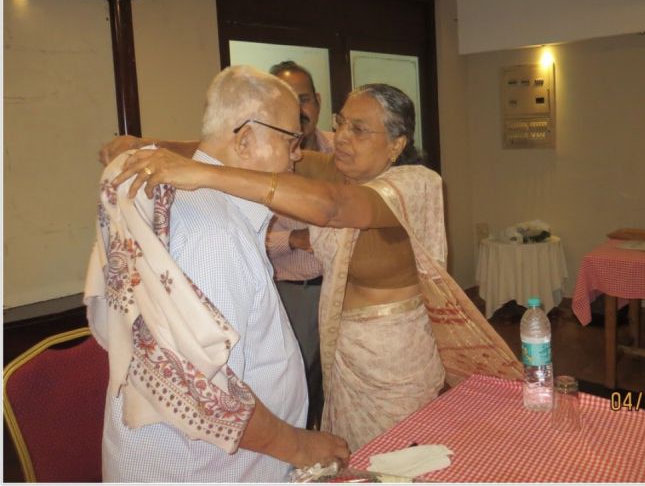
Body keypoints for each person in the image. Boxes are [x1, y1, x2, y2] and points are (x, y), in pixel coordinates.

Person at [105, 83, 523, 452]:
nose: (342, 137)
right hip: (342, 352)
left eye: (360, 130)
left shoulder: (415, 184)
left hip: (394, 360)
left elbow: (333, 208)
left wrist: (201, 175)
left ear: (397, 144)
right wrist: (147, 146)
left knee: (394, 460)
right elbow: (233, 149)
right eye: (341, 123)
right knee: (351, 456)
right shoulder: (336, 171)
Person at [87, 66, 348, 481]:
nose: (297, 155)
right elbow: (202, 387)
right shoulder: (213, 234)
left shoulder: (204, 202)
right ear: (245, 140)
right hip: (202, 468)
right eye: (290, 141)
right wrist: (299, 445)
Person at [267, 61, 333, 429]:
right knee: (297, 389)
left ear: (317, 102)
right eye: (286, 100)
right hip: (293, 293)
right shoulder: (260, 161)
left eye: (304, 99)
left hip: (343, 290)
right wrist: (291, 239)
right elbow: (246, 236)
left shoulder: (341, 150)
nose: (298, 109)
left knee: (337, 387)